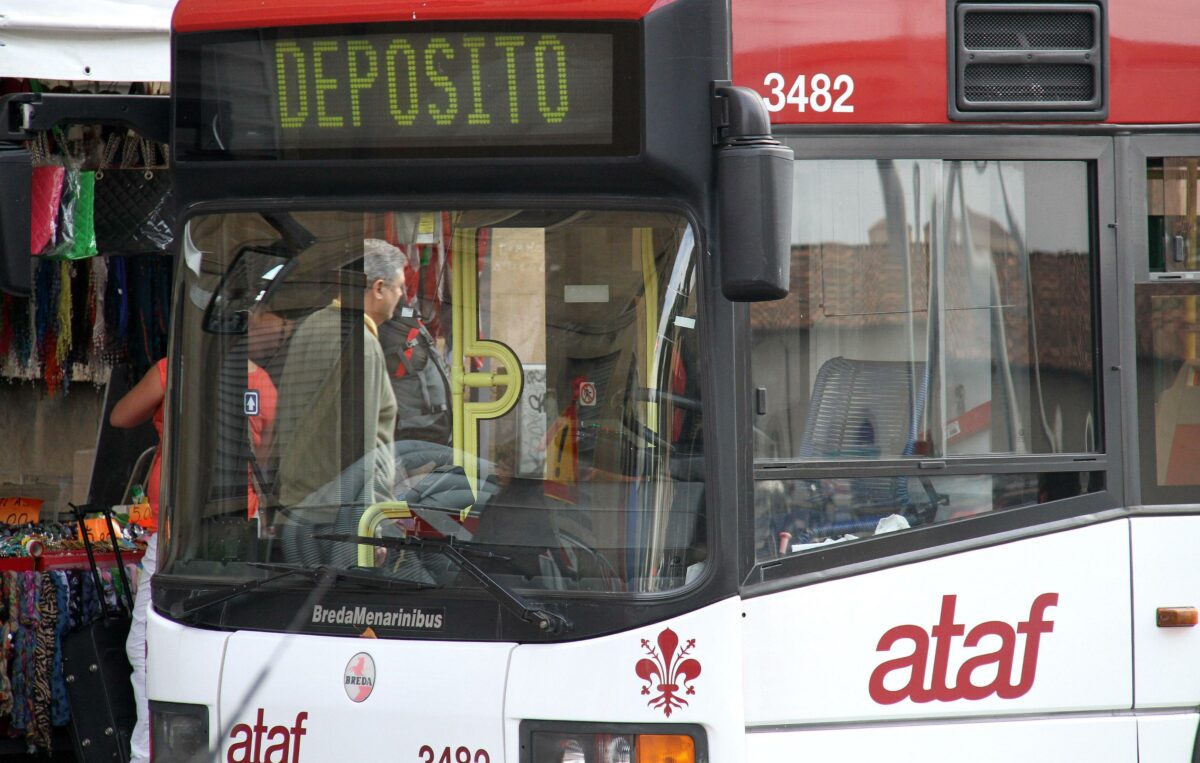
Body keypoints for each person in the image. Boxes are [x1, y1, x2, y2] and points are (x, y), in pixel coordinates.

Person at [109, 356, 276, 763]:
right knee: (216, 639)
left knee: (145, 645)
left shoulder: (175, 368)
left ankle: (147, 753)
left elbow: (120, 416)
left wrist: (164, 407)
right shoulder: (263, 384)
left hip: (177, 532)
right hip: (239, 530)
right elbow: (266, 460)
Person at [272, 240, 404, 564]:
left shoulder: (311, 325)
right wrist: (370, 528)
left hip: (298, 507)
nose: (402, 296)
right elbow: (363, 447)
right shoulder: (363, 343)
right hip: (338, 521)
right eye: (399, 287)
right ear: (378, 288)